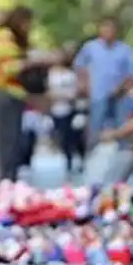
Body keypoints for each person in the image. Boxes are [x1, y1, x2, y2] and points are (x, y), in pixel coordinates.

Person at [0, 7, 57, 183]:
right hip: (4, 91)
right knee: (8, 137)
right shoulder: (5, 38)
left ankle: (9, 175)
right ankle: (6, 177)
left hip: (13, 93)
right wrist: (31, 62)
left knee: (12, 137)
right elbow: (7, 67)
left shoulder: (10, 39)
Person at [74, 17, 133, 146]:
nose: (108, 31)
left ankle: (122, 157)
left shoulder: (125, 50)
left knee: (121, 128)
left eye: (111, 29)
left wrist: (121, 87)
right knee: (95, 128)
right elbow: (79, 66)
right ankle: (91, 155)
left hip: (120, 96)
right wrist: (84, 84)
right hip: (97, 95)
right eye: (105, 28)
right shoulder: (90, 48)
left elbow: (132, 75)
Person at [49, 44, 84, 174]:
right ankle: (67, 158)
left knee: (74, 136)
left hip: (71, 108)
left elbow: (77, 90)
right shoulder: (52, 74)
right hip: (57, 109)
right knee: (62, 136)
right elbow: (50, 92)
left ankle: (79, 157)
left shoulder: (71, 74)